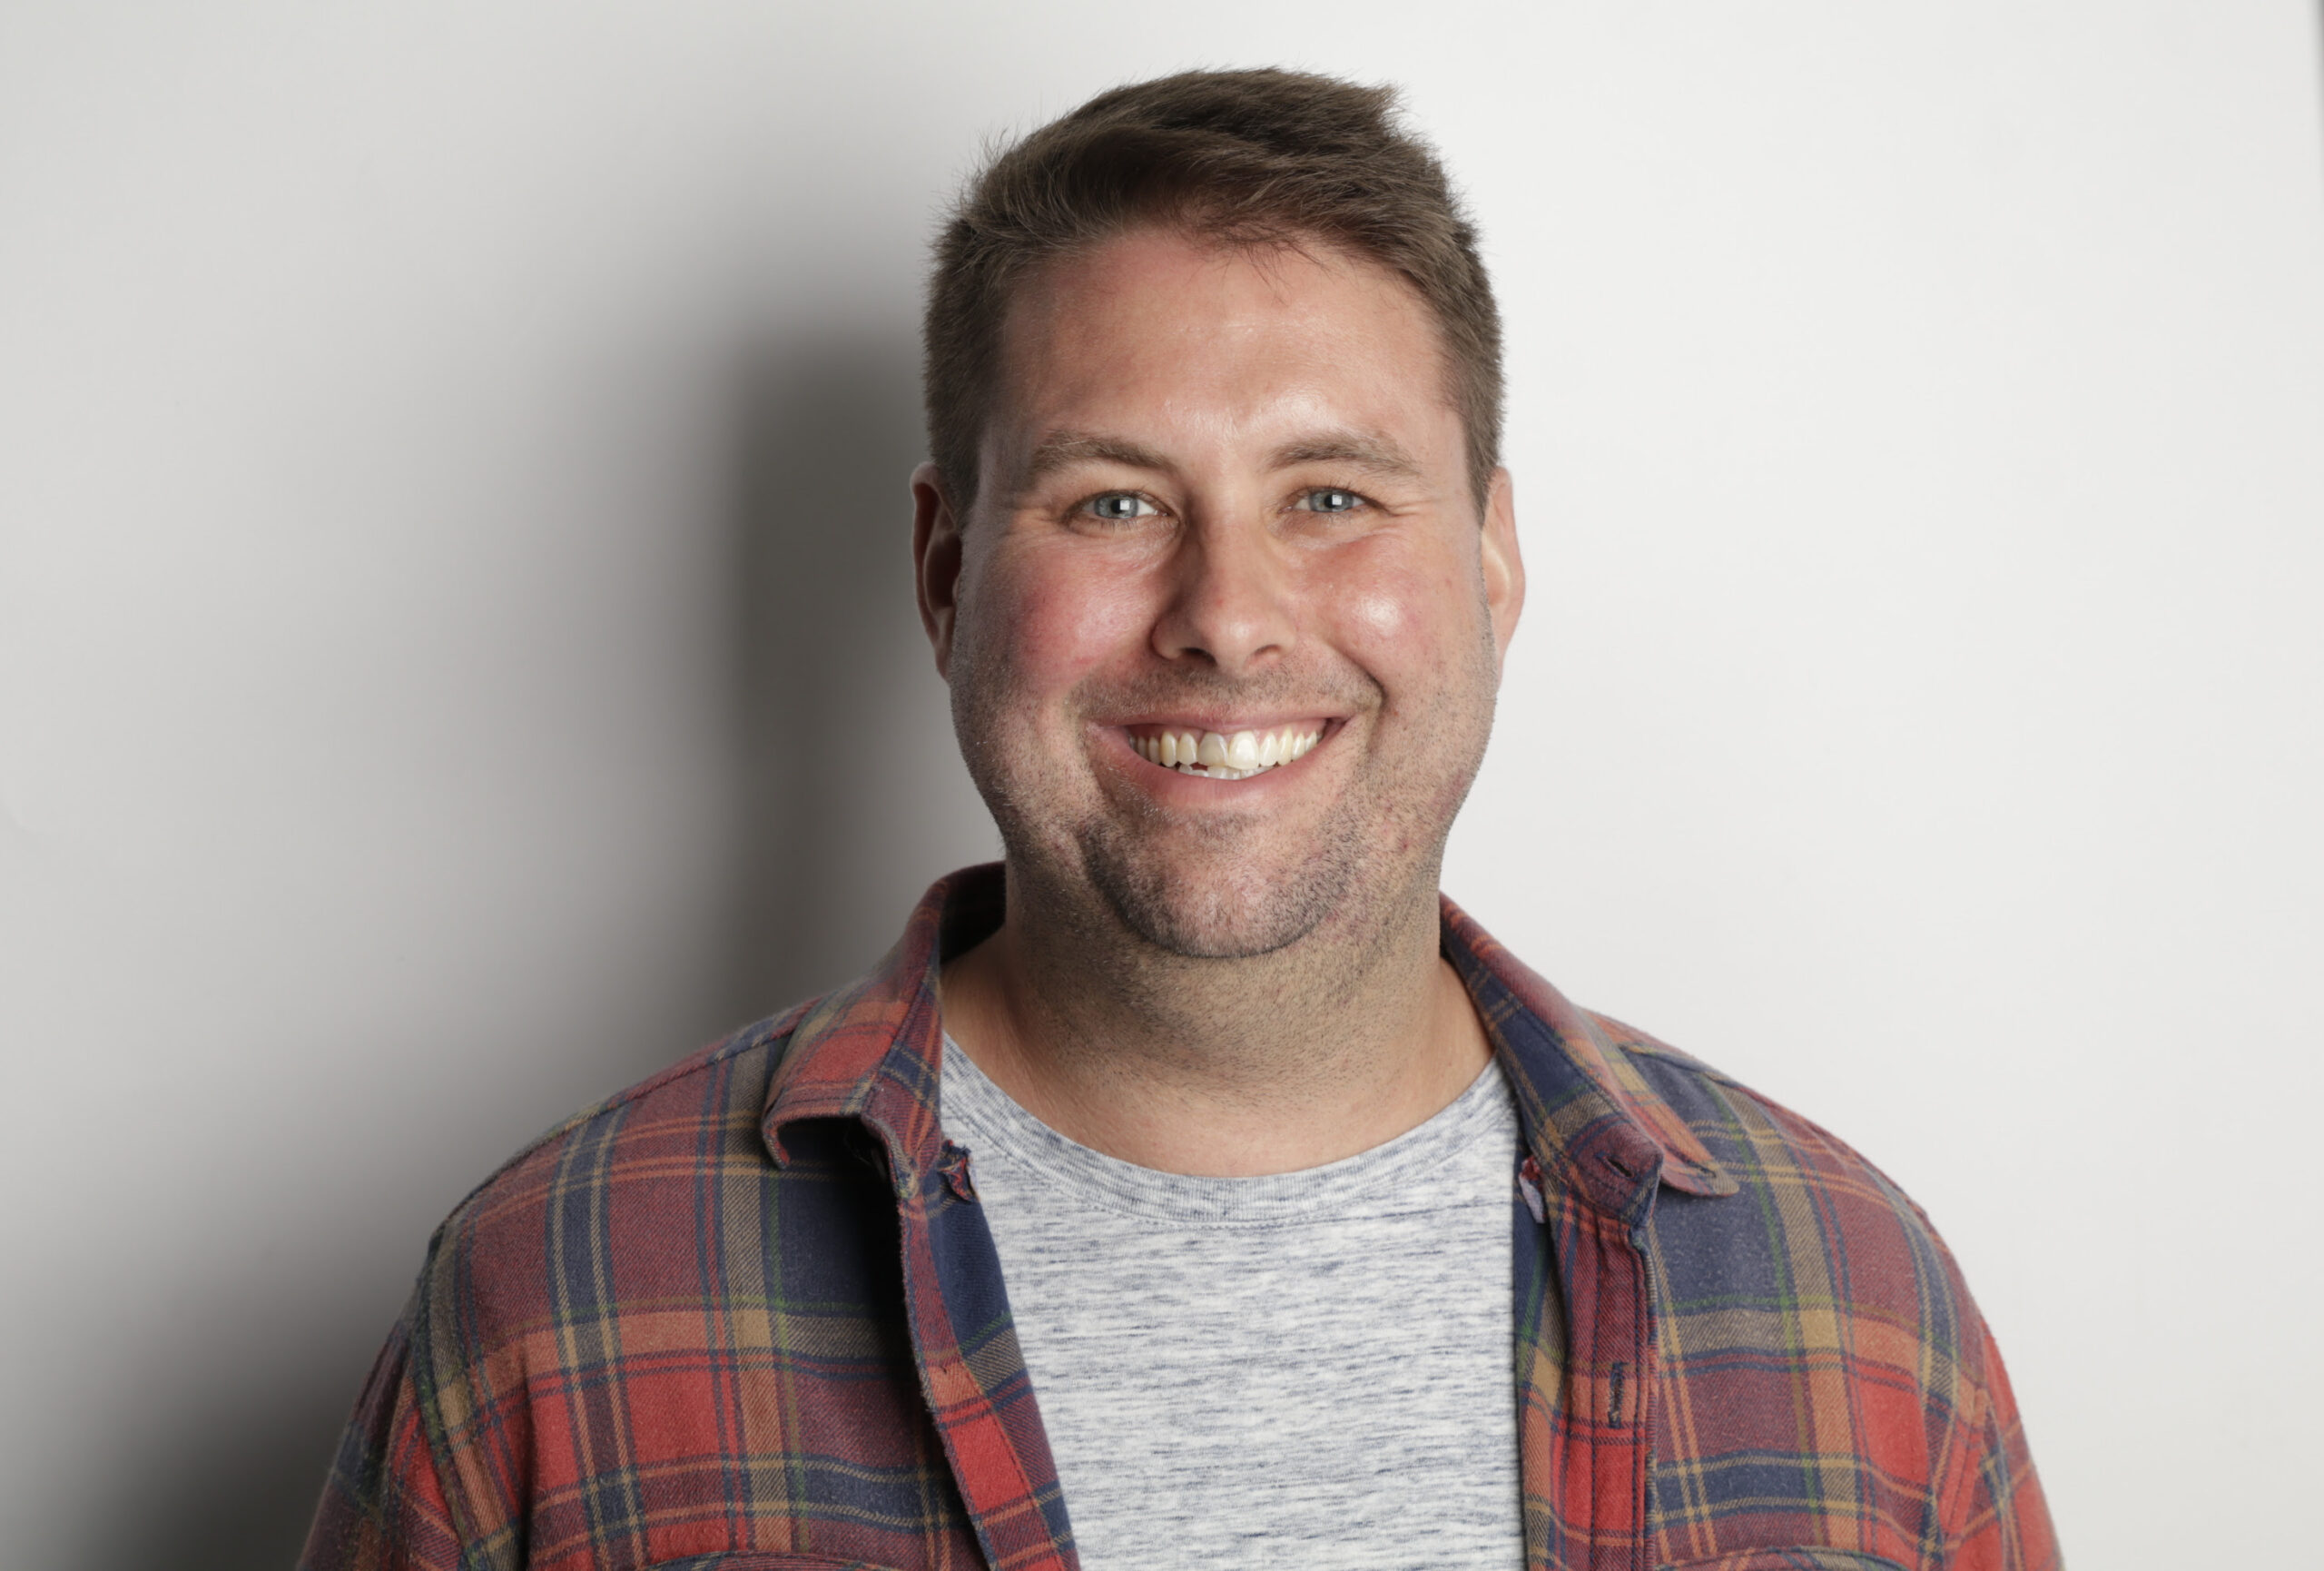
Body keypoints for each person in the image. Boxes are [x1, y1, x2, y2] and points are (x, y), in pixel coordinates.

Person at [301, 68, 2058, 1571]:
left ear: (1493, 559)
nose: (1227, 616)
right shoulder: (555, 1311)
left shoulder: (1857, 1310)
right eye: (1116, 501)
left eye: (1333, 493)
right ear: (945, 573)